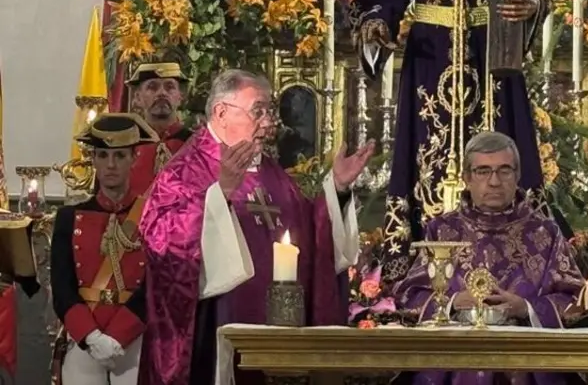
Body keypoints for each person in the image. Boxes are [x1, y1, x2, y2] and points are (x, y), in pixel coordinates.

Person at [355, 0, 559, 283]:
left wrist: (532, 3)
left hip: (494, 54)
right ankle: (419, 264)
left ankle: (518, 257)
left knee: (505, 146)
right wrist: (376, 27)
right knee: (425, 155)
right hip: (430, 56)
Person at [139, 69, 373, 385]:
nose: (267, 123)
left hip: (281, 336)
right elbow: (162, 245)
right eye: (258, 111)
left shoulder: (273, 174)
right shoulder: (184, 171)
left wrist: (338, 189)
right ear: (221, 112)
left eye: (269, 111)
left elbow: (310, 234)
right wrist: (218, 195)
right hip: (215, 333)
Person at [393, 132, 584, 384]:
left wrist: (525, 308)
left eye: (504, 171)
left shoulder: (545, 232)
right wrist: (450, 303)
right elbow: (409, 296)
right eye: (483, 171)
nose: (494, 181)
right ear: (466, 178)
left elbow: (576, 299)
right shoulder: (440, 230)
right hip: (454, 355)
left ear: (517, 177)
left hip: (526, 356)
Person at [51, 113, 157, 385]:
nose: (111, 165)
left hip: (134, 335)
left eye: (120, 156)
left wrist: (119, 334)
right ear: (93, 159)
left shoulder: (152, 217)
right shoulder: (69, 216)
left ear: (135, 158)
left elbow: (155, 286)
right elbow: (62, 287)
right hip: (86, 336)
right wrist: (91, 337)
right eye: (103, 155)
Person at [126, 62, 192, 194]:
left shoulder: (196, 144)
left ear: (180, 97)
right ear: (137, 98)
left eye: (169, 87)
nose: (162, 93)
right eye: (152, 87)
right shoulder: (124, 145)